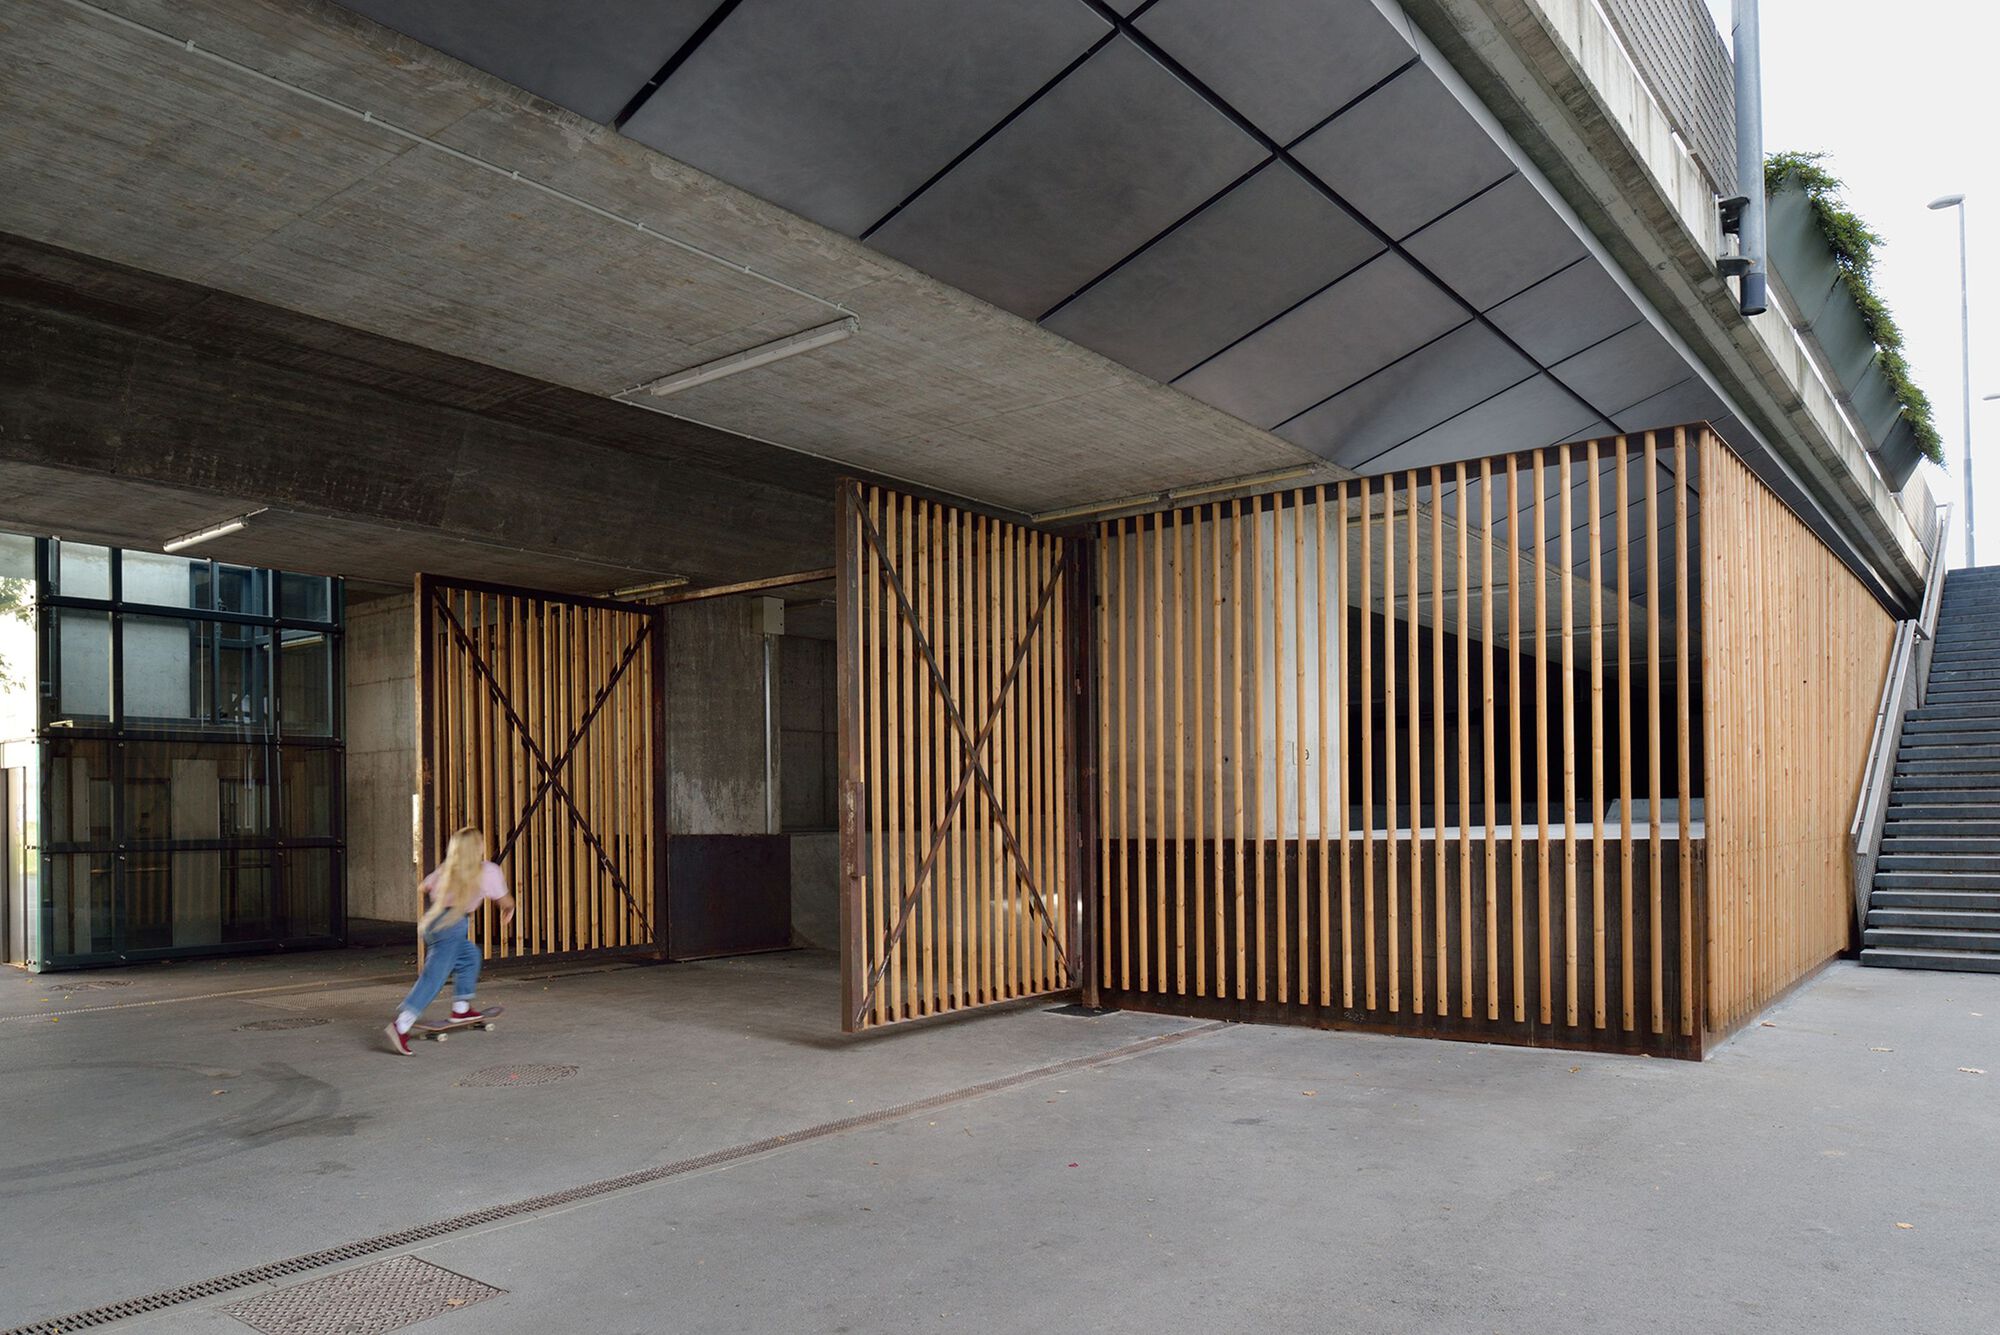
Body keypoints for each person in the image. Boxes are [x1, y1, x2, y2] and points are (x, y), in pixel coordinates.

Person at [385, 827, 514, 1056]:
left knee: (469, 956)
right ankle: (401, 1025)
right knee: (434, 977)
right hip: (453, 925)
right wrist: (510, 908)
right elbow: (505, 900)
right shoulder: (488, 871)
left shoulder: (446, 869)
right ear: (477, 848)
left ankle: (461, 1008)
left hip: (433, 922)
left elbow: (424, 886)